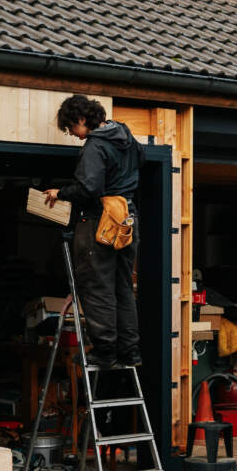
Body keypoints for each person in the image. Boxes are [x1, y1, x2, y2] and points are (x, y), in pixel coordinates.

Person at [44, 94, 143, 369]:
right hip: (127, 218)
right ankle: (130, 352)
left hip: (100, 220)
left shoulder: (95, 146)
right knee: (122, 287)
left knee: (97, 287)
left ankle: (105, 352)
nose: (73, 135)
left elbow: (89, 188)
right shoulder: (126, 137)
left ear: (82, 118)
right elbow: (139, 163)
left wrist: (60, 192)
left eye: (71, 128)